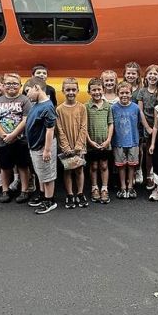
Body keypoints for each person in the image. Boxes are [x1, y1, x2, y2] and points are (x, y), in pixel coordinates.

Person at [0, 73, 33, 204]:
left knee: (23, 165)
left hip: (21, 139)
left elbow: (26, 119)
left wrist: (13, 135)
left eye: (15, 83)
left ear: (20, 86)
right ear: (3, 86)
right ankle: (5, 190)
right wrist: (3, 135)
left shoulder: (25, 100)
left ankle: (24, 190)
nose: (11, 86)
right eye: (8, 83)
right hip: (4, 140)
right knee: (5, 166)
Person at [24, 77, 59, 214]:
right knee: (41, 173)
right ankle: (42, 194)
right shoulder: (37, 104)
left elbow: (50, 129)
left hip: (43, 146)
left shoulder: (48, 107)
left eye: (28, 91)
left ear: (37, 88)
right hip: (35, 146)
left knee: (48, 175)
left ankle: (49, 200)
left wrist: (47, 150)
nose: (27, 95)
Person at [56, 78, 89, 209]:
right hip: (66, 146)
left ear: (78, 91)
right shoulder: (59, 109)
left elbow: (83, 127)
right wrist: (65, 146)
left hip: (79, 146)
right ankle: (70, 194)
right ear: (63, 91)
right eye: (68, 89)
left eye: (73, 89)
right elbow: (59, 129)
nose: (71, 92)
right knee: (68, 170)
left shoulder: (82, 108)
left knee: (79, 169)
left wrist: (79, 145)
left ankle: (80, 193)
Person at [112, 81, 142, 199]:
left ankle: (130, 187)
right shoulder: (113, 108)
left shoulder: (135, 108)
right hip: (118, 142)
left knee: (131, 165)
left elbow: (138, 123)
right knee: (121, 165)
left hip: (133, 141)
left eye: (127, 93)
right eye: (122, 93)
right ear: (117, 93)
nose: (124, 95)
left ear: (131, 94)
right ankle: (123, 187)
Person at [86, 78, 113, 204]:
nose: (97, 92)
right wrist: (89, 140)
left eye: (99, 89)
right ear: (89, 91)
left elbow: (111, 124)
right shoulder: (86, 106)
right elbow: (83, 126)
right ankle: (94, 188)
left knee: (104, 165)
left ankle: (104, 188)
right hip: (92, 143)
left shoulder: (108, 106)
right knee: (94, 166)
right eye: (94, 90)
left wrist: (108, 140)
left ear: (103, 90)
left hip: (104, 142)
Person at [136, 64, 158, 190]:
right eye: (150, 74)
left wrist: (156, 127)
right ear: (146, 76)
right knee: (148, 152)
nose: (152, 76)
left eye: (155, 74)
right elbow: (140, 111)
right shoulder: (142, 91)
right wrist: (147, 127)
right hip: (147, 125)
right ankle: (149, 176)